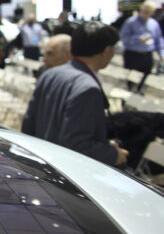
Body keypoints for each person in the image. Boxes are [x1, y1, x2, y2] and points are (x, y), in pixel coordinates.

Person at [21, 22, 129, 166]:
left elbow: (28, 123)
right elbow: (77, 146)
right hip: (67, 172)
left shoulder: (49, 75)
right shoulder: (88, 88)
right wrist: (113, 154)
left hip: (43, 164)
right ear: (107, 51)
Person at [120, 1, 163, 92]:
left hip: (147, 55)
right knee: (131, 82)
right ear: (141, 10)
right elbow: (123, 38)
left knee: (144, 81)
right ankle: (129, 101)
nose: (146, 14)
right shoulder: (130, 22)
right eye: (145, 11)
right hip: (133, 55)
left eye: (149, 12)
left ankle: (138, 99)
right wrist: (138, 39)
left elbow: (159, 40)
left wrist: (161, 54)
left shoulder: (154, 24)